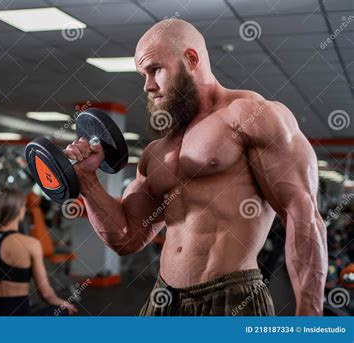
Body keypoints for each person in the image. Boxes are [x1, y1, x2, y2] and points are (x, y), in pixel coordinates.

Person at [63, 19, 327, 316]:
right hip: (163, 299)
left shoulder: (252, 116)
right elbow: (127, 237)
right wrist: (87, 180)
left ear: (191, 59)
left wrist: (310, 317)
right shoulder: (157, 151)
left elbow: (302, 214)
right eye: (143, 74)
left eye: (155, 69)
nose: (148, 85)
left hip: (231, 297)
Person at [0, 188, 77, 316]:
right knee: (63, 310)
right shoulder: (30, 244)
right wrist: (63, 303)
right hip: (18, 316)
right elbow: (46, 294)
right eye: (23, 206)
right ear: (18, 210)